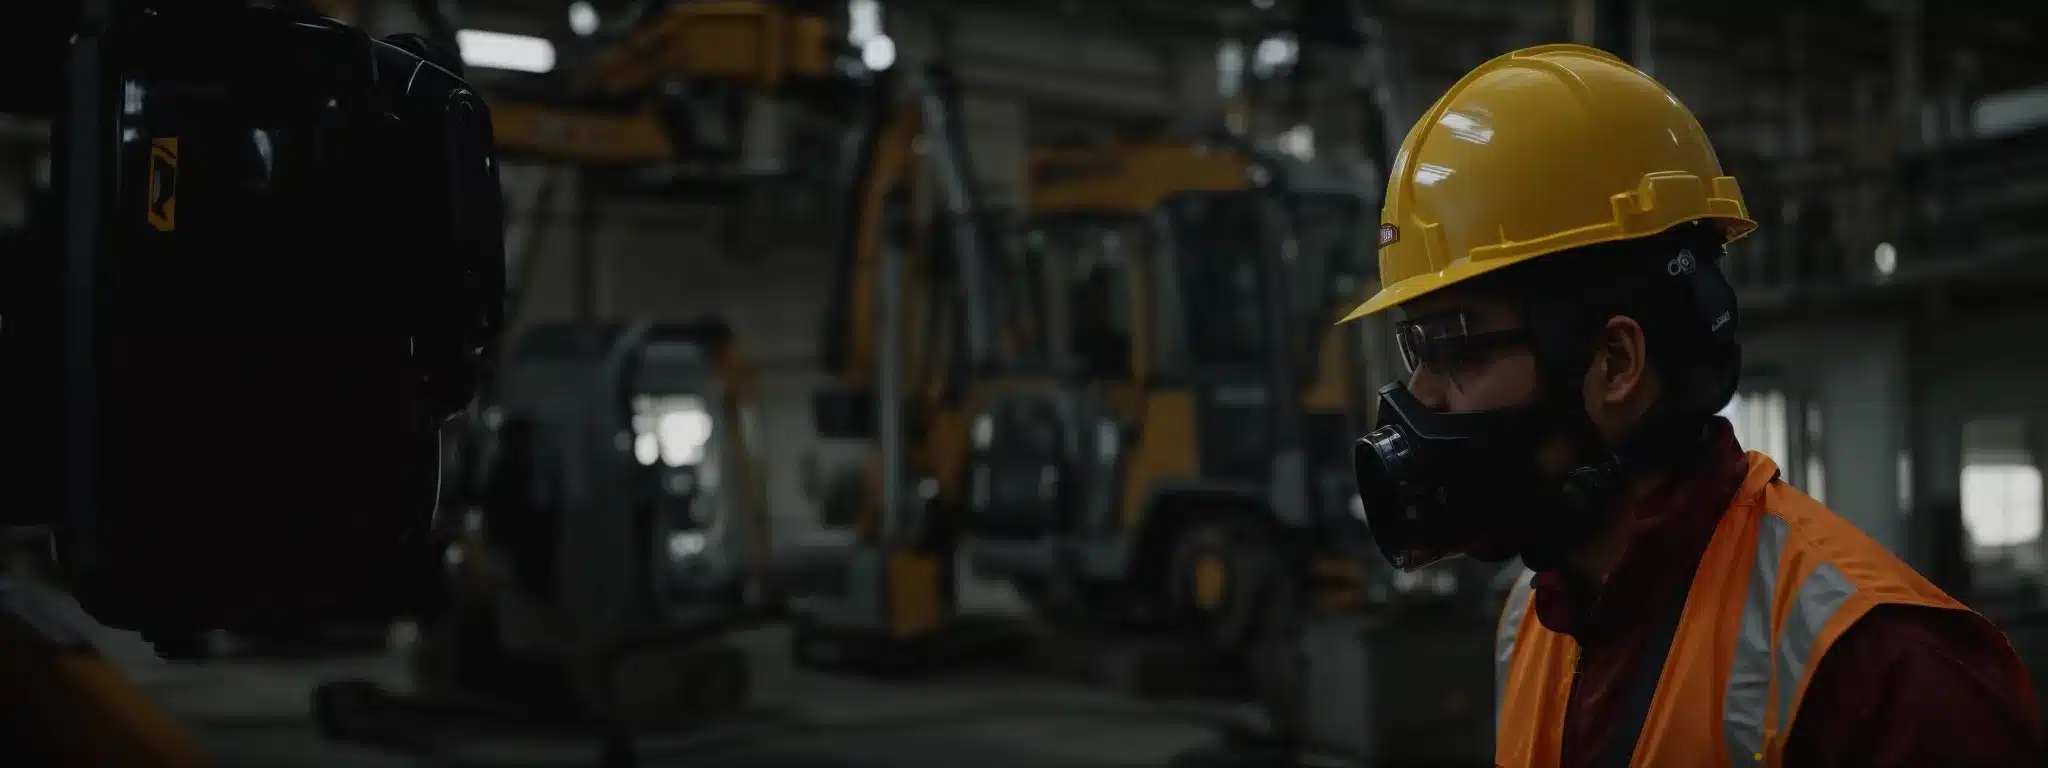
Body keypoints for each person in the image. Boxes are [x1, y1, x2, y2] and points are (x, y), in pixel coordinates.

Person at [1341, 44, 2044, 767]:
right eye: (1414, 351)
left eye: (1457, 351)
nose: (1421, 396)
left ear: (1617, 362)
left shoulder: (1884, 674)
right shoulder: (1533, 619)